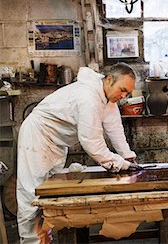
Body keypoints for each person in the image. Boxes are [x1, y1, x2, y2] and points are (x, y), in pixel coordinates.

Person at [16, 62, 140, 244]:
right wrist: (121, 165)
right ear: (109, 79)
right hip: (37, 138)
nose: (123, 96)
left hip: (56, 142)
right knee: (32, 196)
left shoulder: (107, 97)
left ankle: (45, 239)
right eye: (122, 90)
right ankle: (32, 242)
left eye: (127, 93)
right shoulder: (88, 98)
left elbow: (114, 128)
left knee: (49, 195)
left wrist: (128, 156)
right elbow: (92, 144)